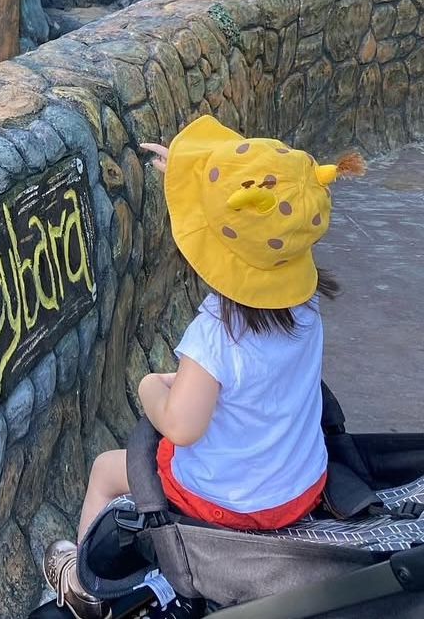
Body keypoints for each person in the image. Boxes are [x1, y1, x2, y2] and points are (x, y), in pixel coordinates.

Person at [43, 115, 364, 619]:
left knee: (106, 470)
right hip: (302, 485)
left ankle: (87, 590)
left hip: (235, 504)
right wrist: (186, 172)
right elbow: (256, 200)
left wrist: (154, 385)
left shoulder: (216, 334)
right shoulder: (305, 302)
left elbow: (182, 426)